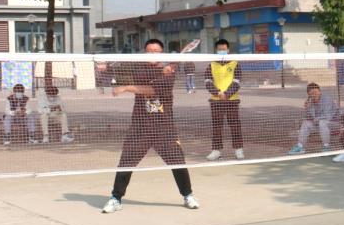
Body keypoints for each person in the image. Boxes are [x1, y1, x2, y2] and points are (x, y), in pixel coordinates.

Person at [102, 38, 198, 214]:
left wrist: (126, 87)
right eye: (149, 51)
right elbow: (138, 79)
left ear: (162, 53)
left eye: (156, 51)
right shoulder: (141, 70)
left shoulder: (170, 73)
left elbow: (153, 90)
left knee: (177, 161)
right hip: (140, 125)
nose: (152, 54)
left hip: (164, 126)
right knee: (126, 162)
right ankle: (116, 198)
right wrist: (105, 67)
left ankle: (188, 195)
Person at [205, 39, 244, 161]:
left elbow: (237, 82)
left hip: (232, 100)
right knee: (217, 126)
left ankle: (238, 150)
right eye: (219, 49)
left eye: (224, 49)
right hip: (216, 101)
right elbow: (208, 82)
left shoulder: (235, 64)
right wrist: (217, 93)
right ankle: (216, 151)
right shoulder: (211, 65)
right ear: (216, 50)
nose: (222, 51)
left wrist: (227, 94)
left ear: (228, 50)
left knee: (235, 125)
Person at [288, 82, 338, 154]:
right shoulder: (311, 102)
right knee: (306, 123)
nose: (315, 95)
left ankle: (326, 147)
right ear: (309, 94)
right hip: (319, 124)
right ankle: (300, 146)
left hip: (334, 123)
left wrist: (316, 119)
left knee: (322, 122)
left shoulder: (327, 99)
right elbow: (308, 117)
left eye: (316, 92)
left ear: (320, 91)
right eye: (312, 93)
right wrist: (307, 108)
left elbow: (328, 116)